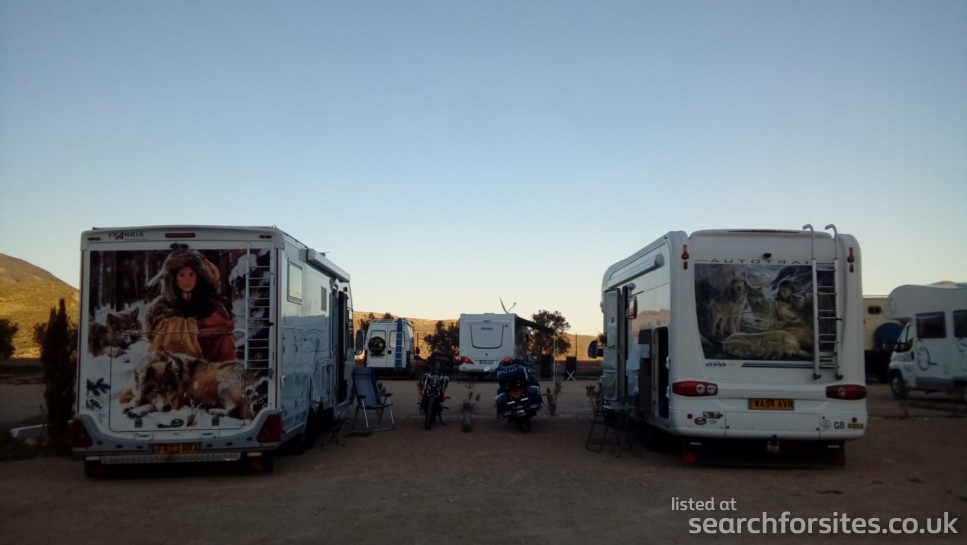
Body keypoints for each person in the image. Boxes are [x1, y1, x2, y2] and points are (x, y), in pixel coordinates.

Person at [145, 249, 237, 362]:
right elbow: (166, 333)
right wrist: (203, 324)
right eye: (181, 275)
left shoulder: (210, 302)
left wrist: (196, 331)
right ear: (174, 279)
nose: (187, 280)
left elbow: (225, 325)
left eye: (191, 274)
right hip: (176, 360)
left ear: (197, 277)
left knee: (226, 341)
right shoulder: (162, 306)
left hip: (206, 357)